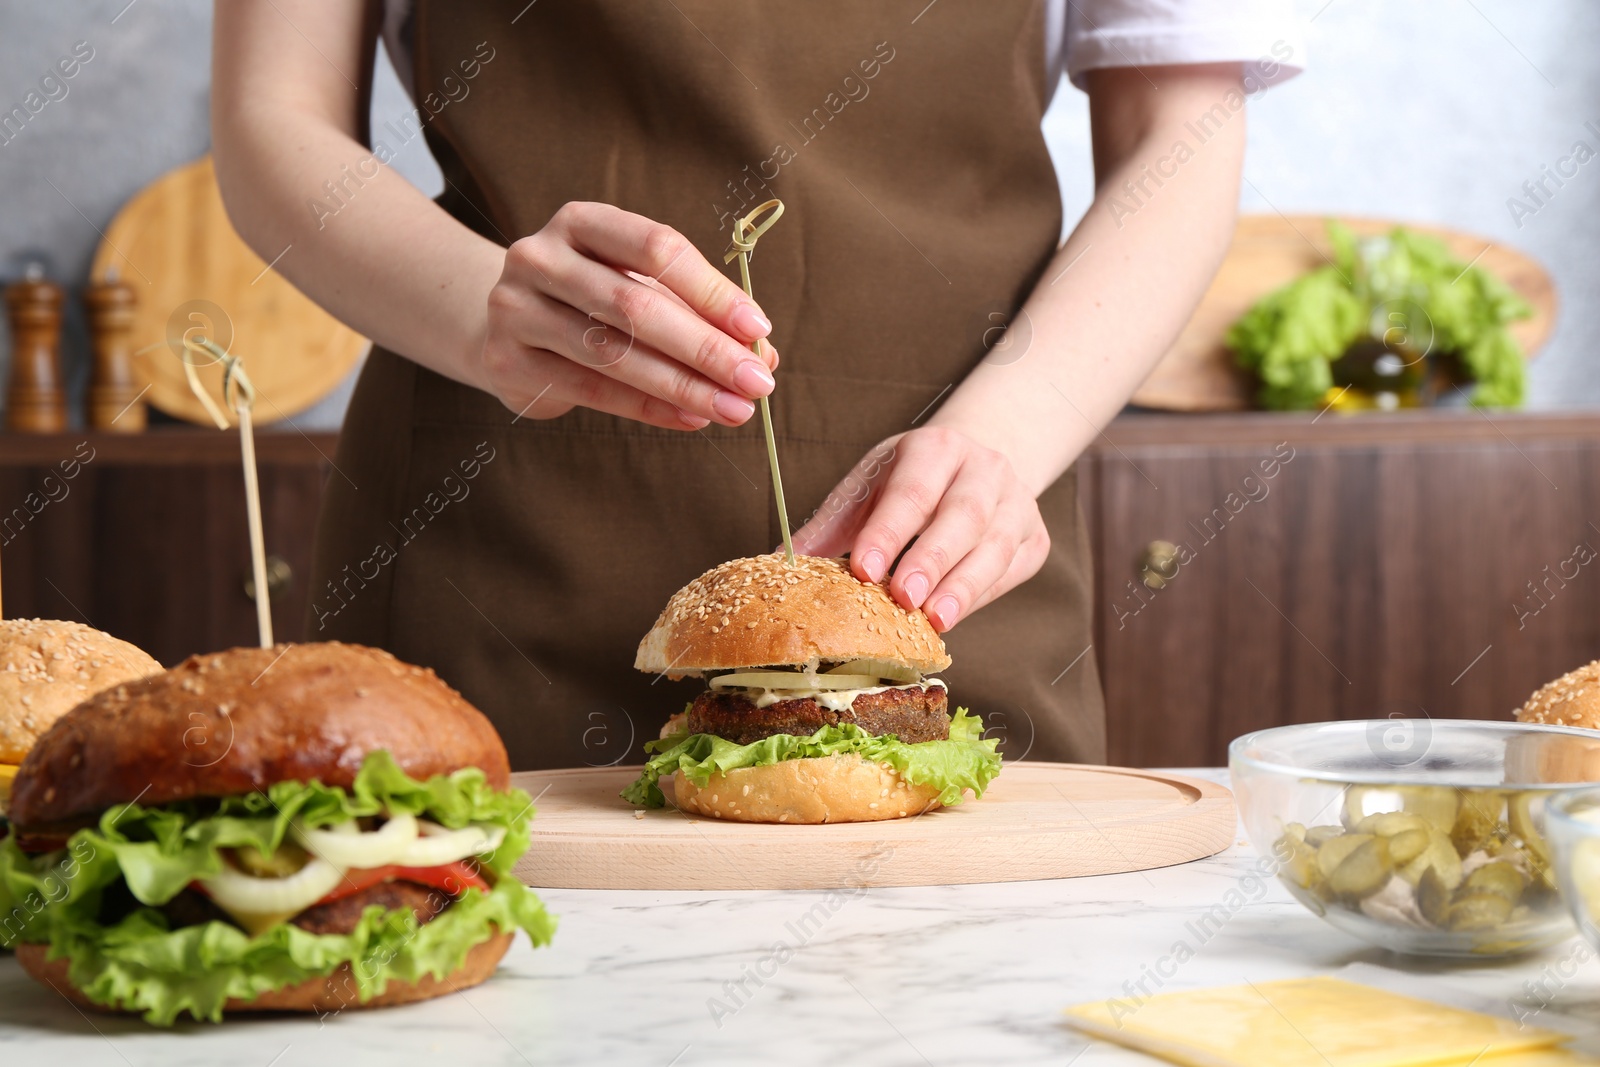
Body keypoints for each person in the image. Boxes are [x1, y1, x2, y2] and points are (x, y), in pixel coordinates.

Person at [212, 0, 1301, 769]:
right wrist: (480, 302)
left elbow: (1181, 130)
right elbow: (274, 116)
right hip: (496, 557)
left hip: (944, 559)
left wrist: (1002, 439)